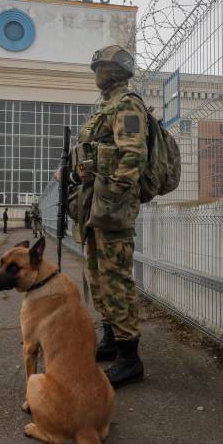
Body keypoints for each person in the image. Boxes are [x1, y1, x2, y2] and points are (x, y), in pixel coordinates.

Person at [66, 45, 148, 388]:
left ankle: (131, 359)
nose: (95, 72)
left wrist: (112, 196)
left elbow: (133, 156)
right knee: (97, 276)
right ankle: (113, 339)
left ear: (115, 71)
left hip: (111, 209)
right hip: (96, 206)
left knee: (115, 278)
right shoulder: (105, 108)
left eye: (100, 66)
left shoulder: (127, 105)